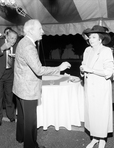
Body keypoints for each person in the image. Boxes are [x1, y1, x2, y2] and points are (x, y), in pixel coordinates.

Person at [12, 19, 71, 148]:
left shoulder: (22, 42)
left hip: (20, 88)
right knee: (30, 120)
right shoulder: (28, 46)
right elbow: (38, 69)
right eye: (40, 29)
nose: (42, 31)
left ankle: (20, 137)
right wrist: (59, 68)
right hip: (28, 90)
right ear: (31, 30)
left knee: (22, 116)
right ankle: (31, 145)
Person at [80, 25, 114, 148]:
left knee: (101, 113)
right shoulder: (87, 51)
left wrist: (91, 70)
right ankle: (94, 138)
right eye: (89, 37)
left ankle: (102, 139)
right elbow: (84, 65)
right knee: (92, 113)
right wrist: (82, 70)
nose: (90, 39)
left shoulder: (106, 51)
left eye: (94, 37)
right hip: (89, 87)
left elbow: (109, 72)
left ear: (100, 39)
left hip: (101, 87)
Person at [0, 28, 18, 126]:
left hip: (10, 73)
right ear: (6, 36)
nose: (13, 41)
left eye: (15, 38)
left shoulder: (16, 45)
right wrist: (2, 48)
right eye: (11, 38)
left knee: (9, 96)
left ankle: (11, 116)